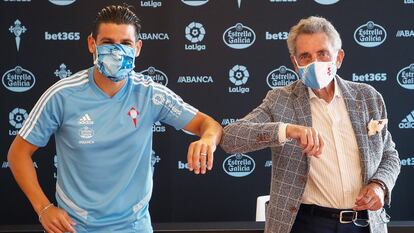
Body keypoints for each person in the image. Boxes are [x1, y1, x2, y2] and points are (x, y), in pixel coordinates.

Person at [7, 5, 222, 233]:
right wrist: (43, 209)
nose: (117, 51)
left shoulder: (150, 94)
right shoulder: (62, 95)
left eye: (126, 43)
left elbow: (209, 125)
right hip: (74, 227)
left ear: (137, 48)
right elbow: (18, 153)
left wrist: (207, 139)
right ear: (92, 44)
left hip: (135, 226)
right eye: (108, 43)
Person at [220, 16, 400, 233]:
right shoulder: (280, 100)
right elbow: (231, 138)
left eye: (322, 54)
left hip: (365, 224)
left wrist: (380, 186)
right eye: (305, 56)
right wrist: (286, 130)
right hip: (305, 223)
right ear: (295, 63)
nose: (315, 62)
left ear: (338, 57)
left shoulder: (368, 97)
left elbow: (390, 155)